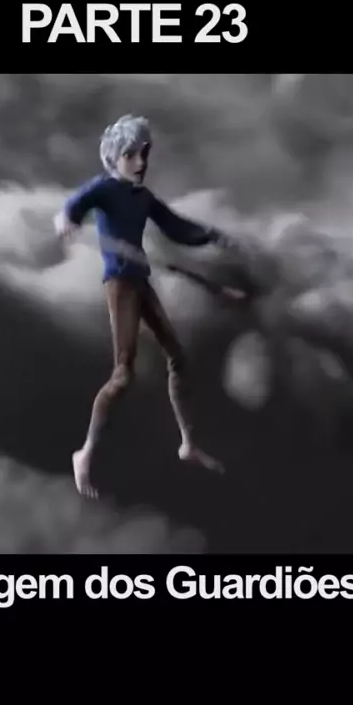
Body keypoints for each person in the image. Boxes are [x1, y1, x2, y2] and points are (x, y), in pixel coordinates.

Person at [54, 114, 238, 498]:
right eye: (131, 155)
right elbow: (74, 205)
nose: (140, 162)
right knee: (123, 375)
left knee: (178, 359)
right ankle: (85, 453)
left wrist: (211, 235)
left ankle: (188, 444)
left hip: (140, 281)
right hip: (121, 285)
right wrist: (67, 219)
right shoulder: (104, 189)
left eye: (144, 154)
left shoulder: (143, 198)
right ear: (114, 157)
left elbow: (176, 227)